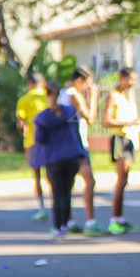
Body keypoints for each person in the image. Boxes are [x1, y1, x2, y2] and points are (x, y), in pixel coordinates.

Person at [32, 80, 86, 240]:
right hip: (71, 157)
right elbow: (77, 133)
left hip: (54, 159)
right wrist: (81, 152)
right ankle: (64, 225)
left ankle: (57, 227)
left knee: (57, 194)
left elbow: (40, 139)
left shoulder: (43, 117)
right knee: (67, 193)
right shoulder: (70, 111)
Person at [59, 66, 105, 235]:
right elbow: (91, 118)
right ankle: (90, 221)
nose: (88, 88)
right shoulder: (74, 95)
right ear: (80, 80)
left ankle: (69, 221)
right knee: (90, 182)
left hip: (66, 144)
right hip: (76, 144)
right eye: (88, 84)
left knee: (68, 184)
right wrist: (93, 98)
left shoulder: (63, 93)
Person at [101, 67, 140, 235]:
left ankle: (120, 218)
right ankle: (114, 220)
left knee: (125, 179)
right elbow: (106, 120)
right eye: (131, 79)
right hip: (119, 140)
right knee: (121, 179)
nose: (134, 83)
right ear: (122, 78)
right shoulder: (113, 96)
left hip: (129, 140)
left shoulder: (126, 97)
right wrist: (129, 122)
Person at [16, 73, 50, 221]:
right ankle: (57, 204)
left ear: (30, 84)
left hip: (32, 141)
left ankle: (41, 207)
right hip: (49, 140)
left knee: (37, 176)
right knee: (51, 174)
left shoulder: (24, 99)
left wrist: (23, 129)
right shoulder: (48, 96)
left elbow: (21, 122)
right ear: (43, 83)